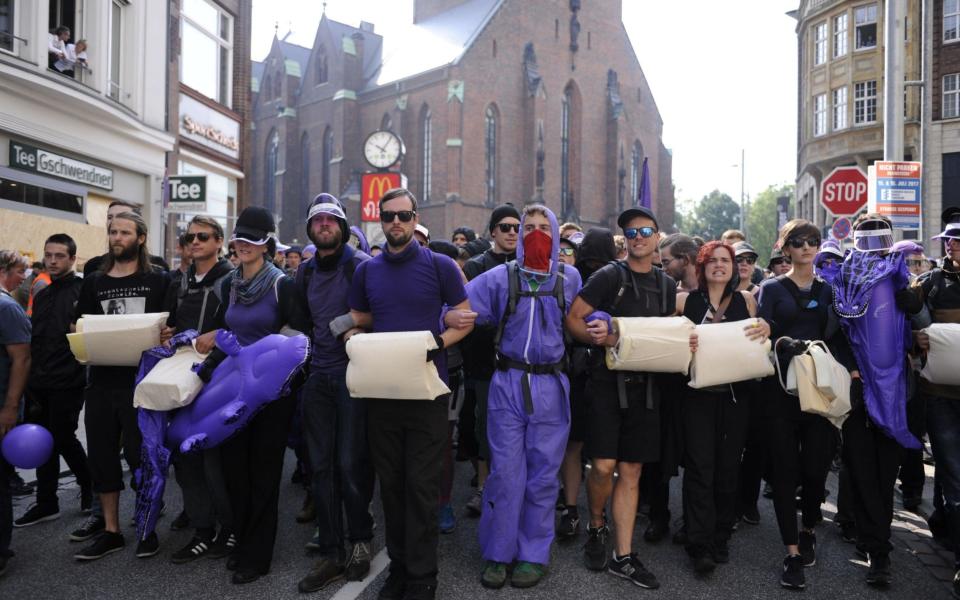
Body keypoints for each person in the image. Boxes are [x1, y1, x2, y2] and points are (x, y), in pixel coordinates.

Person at [348, 188, 473, 600]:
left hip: (427, 394)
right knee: (392, 487)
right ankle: (399, 570)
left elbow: (466, 319)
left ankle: (423, 578)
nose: (395, 223)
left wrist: (437, 342)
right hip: (382, 393)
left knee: (421, 488)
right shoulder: (367, 271)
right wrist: (352, 336)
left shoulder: (440, 266)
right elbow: (362, 318)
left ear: (415, 218)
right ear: (379, 221)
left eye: (403, 215)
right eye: (388, 217)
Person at [458, 205, 581, 589]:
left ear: (558, 233)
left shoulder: (569, 278)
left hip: (551, 386)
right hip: (508, 382)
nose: (536, 233)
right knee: (506, 474)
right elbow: (460, 306)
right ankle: (498, 551)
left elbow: (591, 316)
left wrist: (604, 325)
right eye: (529, 227)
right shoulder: (501, 277)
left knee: (543, 476)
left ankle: (533, 554)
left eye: (545, 227)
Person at [192, 207, 309, 584]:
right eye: (239, 238)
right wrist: (207, 362)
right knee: (233, 471)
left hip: (271, 395)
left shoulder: (282, 284)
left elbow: (299, 337)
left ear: (267, 245)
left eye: (251, 240)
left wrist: (270, 366)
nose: (242, 245)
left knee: (263, 473)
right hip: (231, 390)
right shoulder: (230, 285)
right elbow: (224, 334)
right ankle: (242, 541)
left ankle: (257, 556)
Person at [565, 206, 678, 590]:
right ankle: (597, 525)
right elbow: (574, 318)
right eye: (631, 233)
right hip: (605, 386)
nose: (639, 237)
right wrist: (593, 339)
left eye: (646, 230)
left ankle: (623, 555)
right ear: (624, 241)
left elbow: (668, 333)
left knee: (631, 471)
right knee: (601, 467)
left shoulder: (665, 285)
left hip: (646, 390)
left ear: (658, 236)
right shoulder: (609, 275)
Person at [756, 219, 853, 590]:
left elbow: (842, 337)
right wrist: (778, 341)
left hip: (820, 387)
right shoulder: (771, 288)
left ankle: (809, 524)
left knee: (815, 471)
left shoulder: (831, 290)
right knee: (784, 472)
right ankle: (792, 552)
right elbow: (763, 331)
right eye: (798, 242)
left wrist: (852, 372)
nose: (807, 247)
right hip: (781, 389)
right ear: (786, 248)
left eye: (813, 240)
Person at [71, 212, 169, 562]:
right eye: (113, 231)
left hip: (142, 385)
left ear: (140, 238)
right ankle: (111, 531)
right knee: (101, 458)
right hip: (100, 383)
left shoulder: (158, 280)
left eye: (125, 232)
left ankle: (147, 527)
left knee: (142, 459)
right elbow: (79, 324)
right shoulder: (94, 281)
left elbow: (170, 327)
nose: (117, 237)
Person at [832, 214, 923, 588]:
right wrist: (852, 370)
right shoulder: (841, 278)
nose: (872, 242)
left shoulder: (903, 277)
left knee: (885, 478)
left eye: (878, 234)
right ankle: (875, 546)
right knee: (862, 474)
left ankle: (879, 548)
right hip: (857, 396)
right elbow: (834, 334)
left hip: (898, 396)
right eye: (865, 234)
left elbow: (924, 328)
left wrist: (913, 303)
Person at [296, 195, 374, 593]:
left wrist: (356, 324)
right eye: (317, 220)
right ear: (310, 229)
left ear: (342, 227)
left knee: (350, 463)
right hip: (318, 379)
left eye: (332, 220)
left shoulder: (361, 266)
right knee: (320, 467)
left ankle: (360, 539)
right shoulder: (305, 273)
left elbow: (382, 310)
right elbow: (296, 321)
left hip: (354, 376)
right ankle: (331, 550)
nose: (324, 225)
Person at [675, 241, 769, 573]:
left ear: (733, 267)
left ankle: (720, 536)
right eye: (712, 260)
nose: (719, 265)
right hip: (697, 397)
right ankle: (698, 543)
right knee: (700, 468)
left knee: (729, 470)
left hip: (736, 398)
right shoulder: (686, 301)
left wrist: (766, 328)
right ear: (701, 267)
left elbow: (760, 341)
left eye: (725, 260)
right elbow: (670, 346)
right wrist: (682, 342)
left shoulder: (747, 300)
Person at [163, 216, 236, 564]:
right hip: (181, 377)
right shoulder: (180, 281)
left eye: (202, 236)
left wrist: (218, 336)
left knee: (216, 460)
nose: (194, 242)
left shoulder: (232, 279)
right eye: (189, 237)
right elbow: (175, 323)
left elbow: (243, 328)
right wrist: (168, 332)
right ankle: (203, 530)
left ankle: (231, 528)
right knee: (185, 456)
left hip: (218, 378)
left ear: (219, 241)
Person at [14, 235, 92, 528]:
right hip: (39, 382)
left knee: (61, 437)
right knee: (42, 440)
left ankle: (89, 487)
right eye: (49, 255)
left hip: (69, 381)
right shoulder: (43, 293)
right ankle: (47, 502)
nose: (53, 261)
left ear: (72, 259)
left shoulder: (83, 291)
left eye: (60, 256)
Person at [460, 204, 521, 517]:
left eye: (516, 227)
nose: (512, 232)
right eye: (505, 227)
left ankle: (513, 488)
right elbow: (467, 312)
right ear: (493, 231)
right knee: (485, 425)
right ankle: (483, 487)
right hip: (484, 360)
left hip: (520, 362)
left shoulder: (528, 264)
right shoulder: (476, 266)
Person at [557, 228, 618, 540]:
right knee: (603, 453)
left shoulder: (572, 277)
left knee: (574, 443)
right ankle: (599, 513)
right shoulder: (615, 276)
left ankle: (570, 508)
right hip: (608, 371)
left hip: (574, 370)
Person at [913, 220, 960, 597]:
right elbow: (906, 323)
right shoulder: (928, 284)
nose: (953, 246)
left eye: (958, 241)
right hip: (940, 394)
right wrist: (917, 338)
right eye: (949, 240)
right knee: (952, 475)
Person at [0, 250, 31, 578]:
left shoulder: (8, 308)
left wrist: (9, 409)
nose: (25, 277)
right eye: (20, 271)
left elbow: (22, 360)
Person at [84, 201, 170, 275]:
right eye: (110, 217)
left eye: (123, 216)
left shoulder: (159, 268)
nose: (114, 221)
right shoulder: (93, 266)